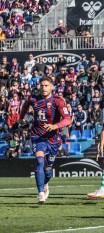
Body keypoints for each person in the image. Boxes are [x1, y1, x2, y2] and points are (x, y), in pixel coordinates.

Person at [19, 76, 71, 204]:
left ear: (52, 86)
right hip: (38, 136)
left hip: (53, 138)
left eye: (46, 85)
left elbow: (68, 119)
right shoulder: (34, 99)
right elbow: (25, 104)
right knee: (39, 162)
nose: (43, 88)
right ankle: (40, 193)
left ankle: (45, 183)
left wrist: (55, 126)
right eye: (41, 85)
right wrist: (21, 118)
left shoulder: (57, 101)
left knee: (48, 171)